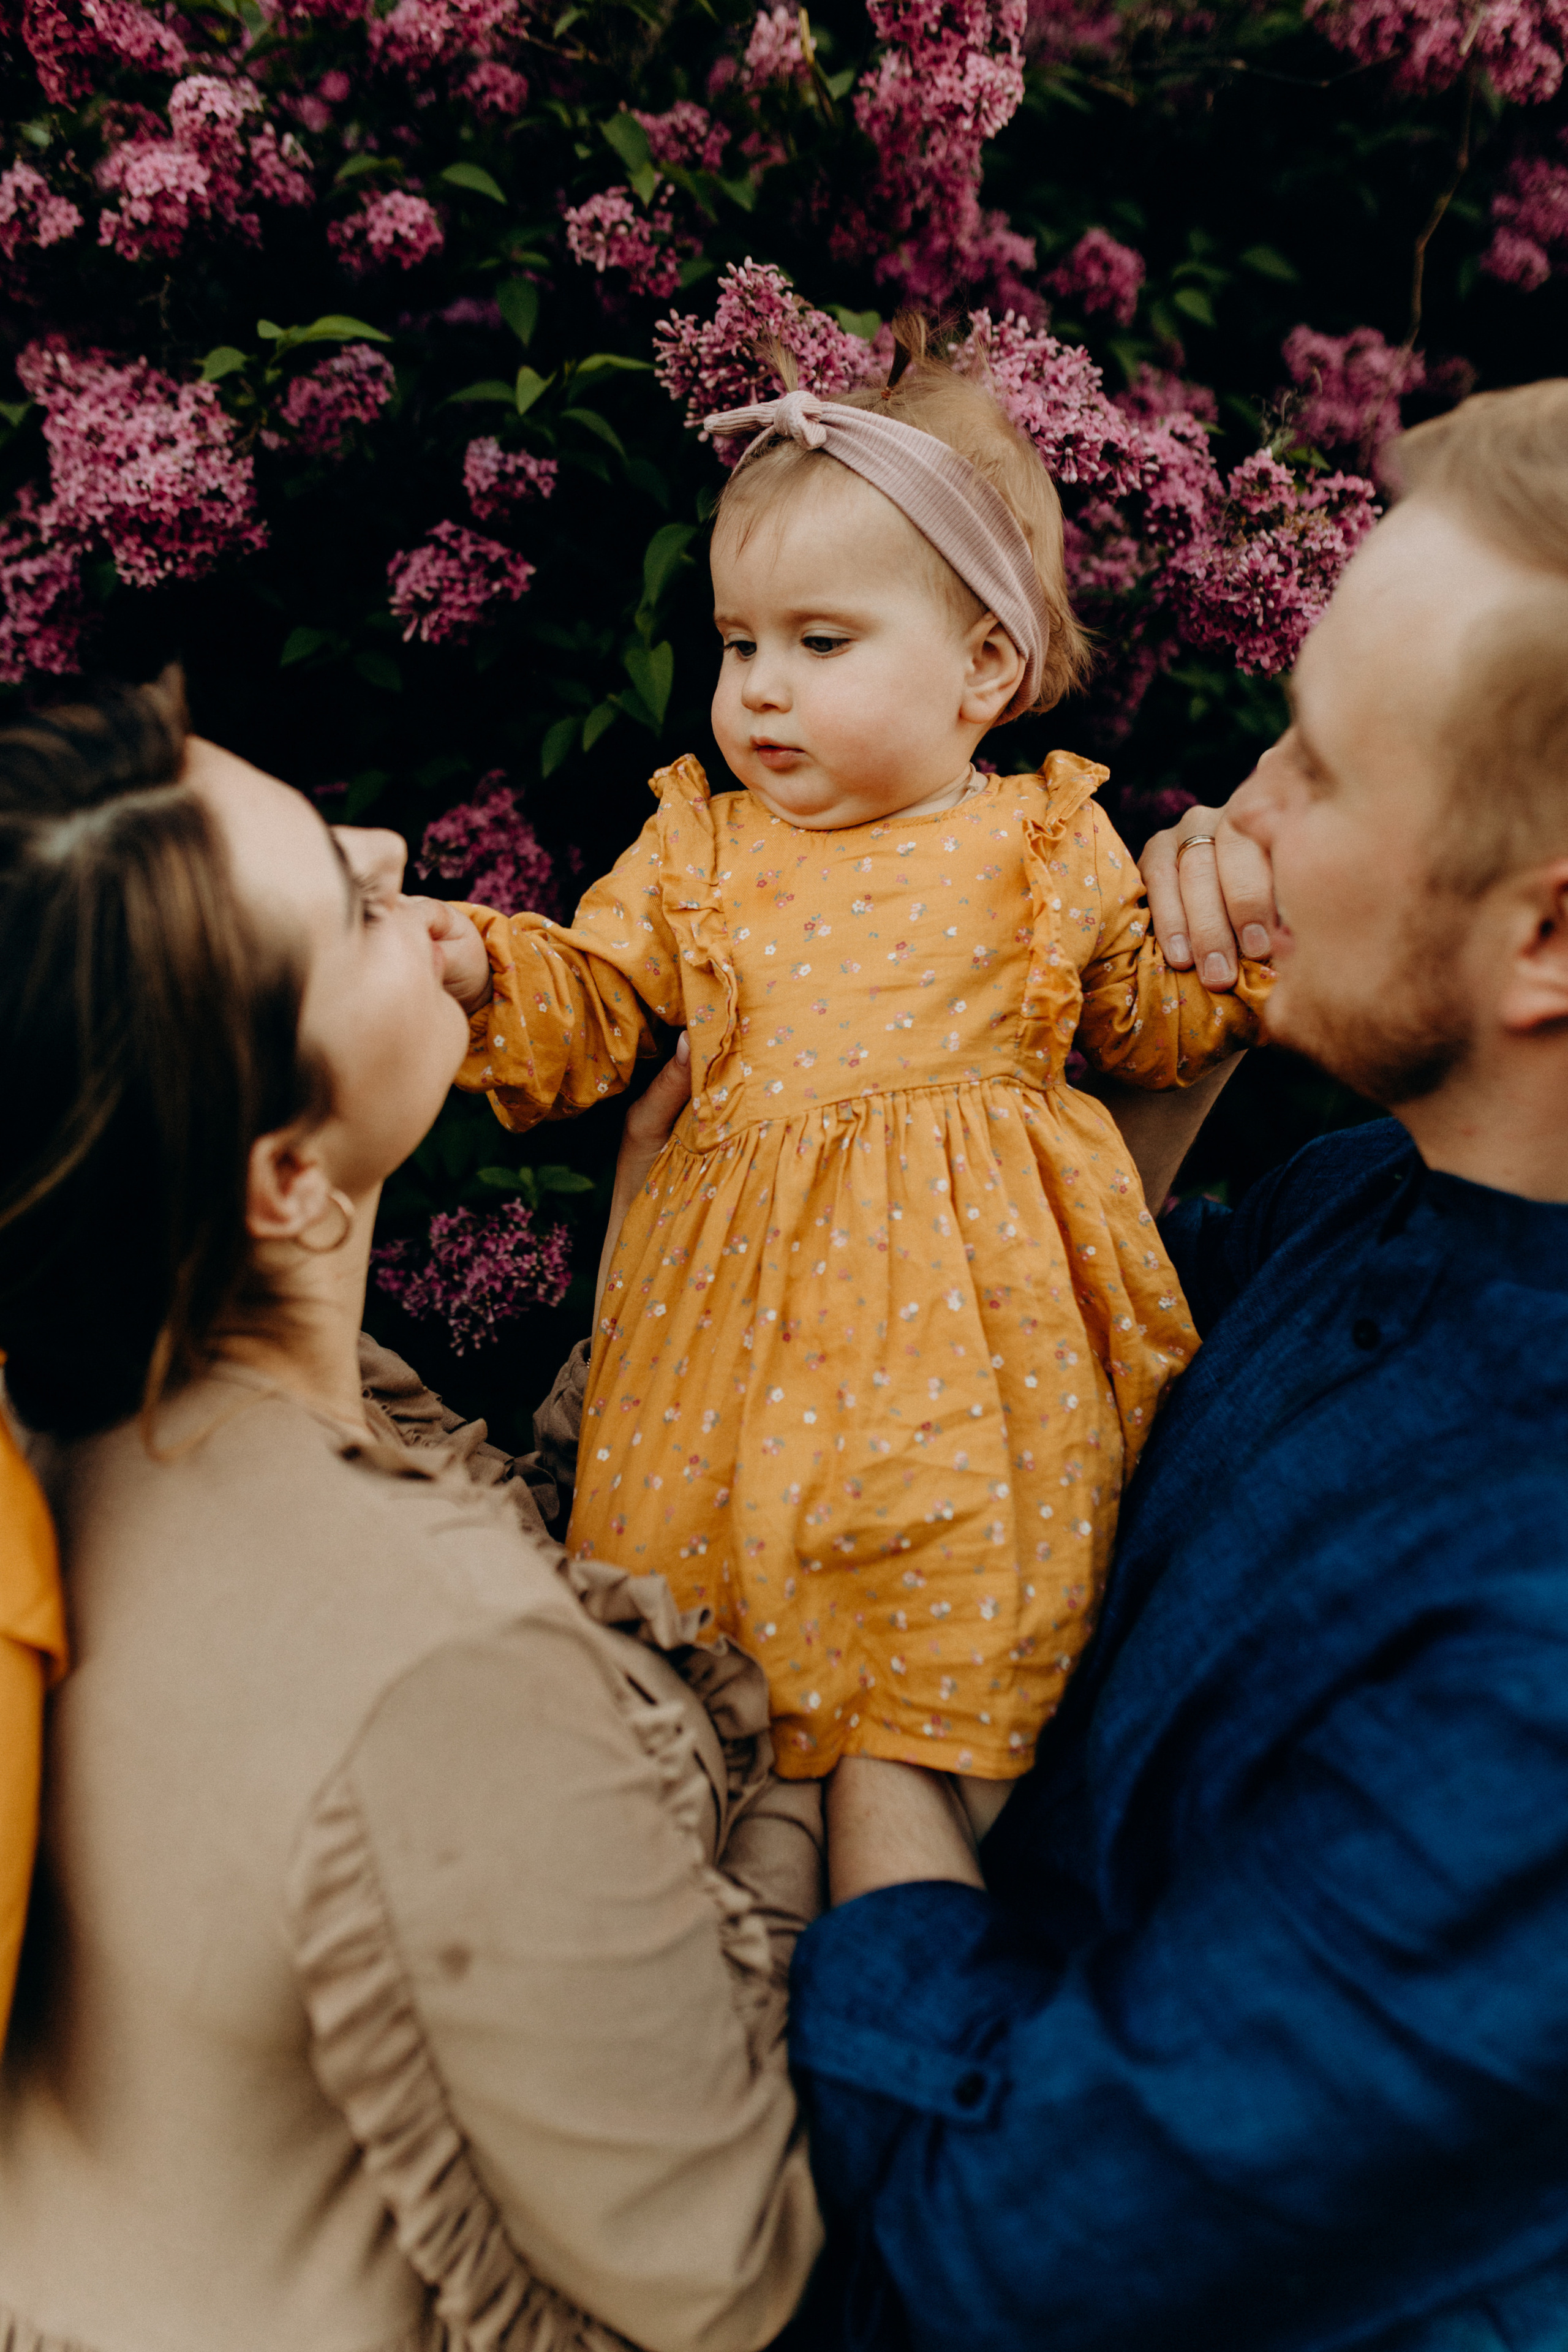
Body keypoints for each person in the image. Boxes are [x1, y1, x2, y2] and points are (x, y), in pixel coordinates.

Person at [759, 377, 1568, 2350]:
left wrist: (879, 1714)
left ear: (1549, 943)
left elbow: (1006, 2234)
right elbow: (1018, 1365)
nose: (1236, 813)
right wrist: (1188, 1044)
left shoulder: (1535, 1658)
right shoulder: (1365, 1204)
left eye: (1314, 765)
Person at [0, 676, 824, 2352]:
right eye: (352, 900)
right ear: (288, 1175)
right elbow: (732, 2268)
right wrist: (829, 1790)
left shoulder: (87, 1428)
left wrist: (661, 1281)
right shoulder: (432, 1656)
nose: (389, 848)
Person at [430, 319, 1271, 1814]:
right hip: (725, 1362)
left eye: (820, 644)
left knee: (939, 1695)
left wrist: (1251, 933)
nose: (758, 688)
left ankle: (920, 1964)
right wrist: (488, 972)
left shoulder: (1040, 841)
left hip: (975, 1351)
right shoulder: (697, 846)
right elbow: (601, 1002)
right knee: (720, 1695)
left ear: (983, 666)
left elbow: (1148, 1020)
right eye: (738, 643)